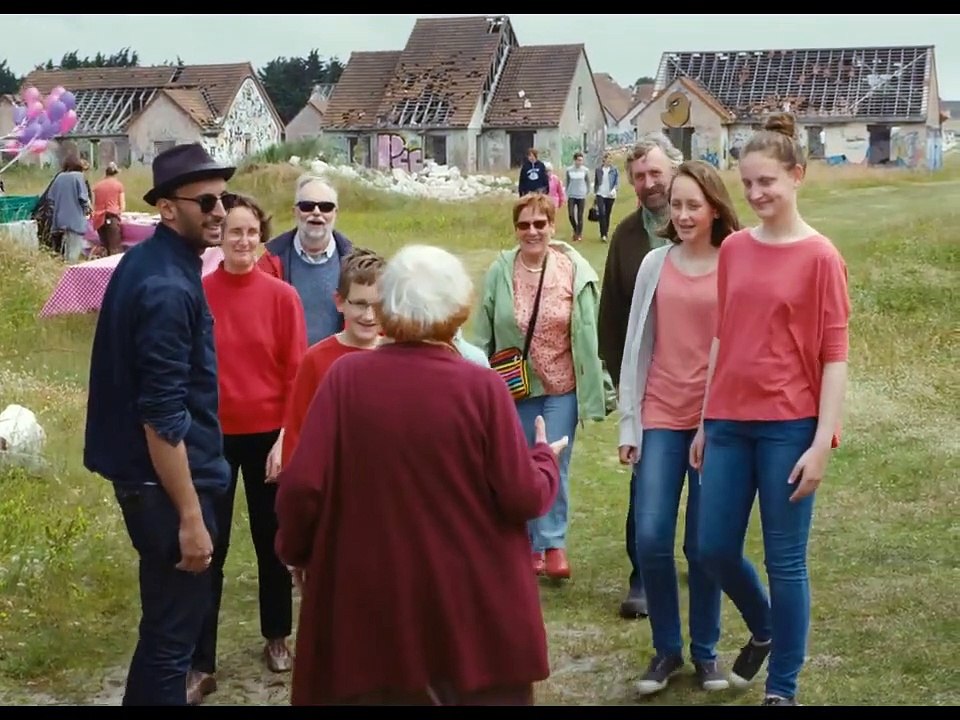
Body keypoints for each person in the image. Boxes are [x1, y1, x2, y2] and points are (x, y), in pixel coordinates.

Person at [274, 244, 568, 706]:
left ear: (388, 307)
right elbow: (521, 495)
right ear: (457, 310)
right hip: (469, 601)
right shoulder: (482, 387)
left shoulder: (345, 380)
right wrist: (544, 459)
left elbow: (302, 485)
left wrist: (297, 552)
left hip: (372, 595)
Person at [691, 113, 850, 706]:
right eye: (749, 183)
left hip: (789, 427)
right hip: (729, 424)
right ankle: (764, 627)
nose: (757, 194)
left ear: (797, 177)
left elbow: (835, 354)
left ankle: (782, 687)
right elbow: (720, 336)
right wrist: (706, 419)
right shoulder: (733, 248)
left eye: (768, 182)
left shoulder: (821, 257)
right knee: (711, 548)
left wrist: (821, 442)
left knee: (786, 562)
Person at [82, 143, 236, 706]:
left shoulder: (159, 264)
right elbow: (163, 417)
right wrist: (191, 519)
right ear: (168, 209)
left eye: (226, 199)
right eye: (207, 202)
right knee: (174, 642)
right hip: (168, 487)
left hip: (158, 482)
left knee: (162, 634)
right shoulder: (167, 286)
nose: (220, 211)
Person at [617, 160, 746, 696]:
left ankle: (706, 653)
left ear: (714, 206)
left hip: (713, 423)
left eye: (694, 205)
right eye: (677, 205)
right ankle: (666, 650)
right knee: (650, 537)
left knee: (703, 545)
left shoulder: (734, 264)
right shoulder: (654, 263)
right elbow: (635, 347)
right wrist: (629, 424)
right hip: (660, 417)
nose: (685, 214)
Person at [187, 193, 308, 704]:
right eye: (233, 232)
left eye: (251, 233)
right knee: (208, 549)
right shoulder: (199, 292)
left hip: (267, 434)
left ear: (262, 239)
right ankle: (200, 660)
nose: (242, 241)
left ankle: (277, 636)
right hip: (213, 433)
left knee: (272, 542)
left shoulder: (283, 297)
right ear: (220, 236)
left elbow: (296, 374)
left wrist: (285, 437)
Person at [475, 193, 607, 581]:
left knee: (555, 461)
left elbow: (588, 331)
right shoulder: (500, 271)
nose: (532, 232)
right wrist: (477, 378)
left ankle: (553, 544)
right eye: (524, 225)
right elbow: (483, 330)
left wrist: (598, 380)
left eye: (539, 224)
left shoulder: (571, 269)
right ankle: (529, 545)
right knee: (519, 464)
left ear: (553, 226)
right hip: (514, 388)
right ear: (515, 229)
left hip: (562, 385)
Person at [597, 132, 684, 620]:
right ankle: (643, 575)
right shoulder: (628, 236)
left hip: (703, 377)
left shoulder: (709, 223)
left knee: (706, 477)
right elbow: (610, 312)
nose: (650, 183)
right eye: (640, 177)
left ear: (674, 169)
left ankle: (699, 558)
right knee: (645, 482)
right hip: (649, 381)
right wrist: (619, 378)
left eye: (656, 173)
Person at [281, 248, 386, 465]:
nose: (369, 316)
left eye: (378, 306)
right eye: (359, 304)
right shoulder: (316, 359)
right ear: (339, 301)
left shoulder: (397, 357)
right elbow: (297, 433)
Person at [257, 174, 354, 346]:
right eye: (307, 206)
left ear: (335, 213)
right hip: (290, 370)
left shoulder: (355, 263)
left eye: (325, 207)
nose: (316, 213)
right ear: (294, 211)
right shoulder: (270, 263)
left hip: (340, 369)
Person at [44, 155, 91, 262]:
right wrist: (88, 209)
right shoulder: (78, 176)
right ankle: (71, 275)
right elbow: (83, 198)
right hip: (75, 221)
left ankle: (63, 272)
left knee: (64, 252)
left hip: (59, 220)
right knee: (73, 254)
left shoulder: (59, 177)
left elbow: (50, 197)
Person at [91, 161, 126, 256]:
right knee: (115, 247)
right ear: (116, 173)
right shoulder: (118, 185)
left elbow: (93, 204)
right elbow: (122, 206)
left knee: (104, 245)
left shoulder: (97, 186)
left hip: (99, 218)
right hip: (112, 216)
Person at [564, 151, 590, 243]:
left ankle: (579, 234)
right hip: (571, 194)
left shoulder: (585, 170)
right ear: (575, 160)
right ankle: (575, 229)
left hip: (581, 195)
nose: (580, 162)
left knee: (580, 216)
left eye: (581, 160)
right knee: (571, 214)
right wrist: (566, 192)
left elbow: (587, 181)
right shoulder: (569, 170)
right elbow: (567, 182)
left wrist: (587, 191)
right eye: (578, 160)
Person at [593, 152, 619, 243]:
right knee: (602, 213)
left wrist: (614, 189)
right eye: (608, 159)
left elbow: (616, 182)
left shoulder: (614, 170)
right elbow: (596, 181)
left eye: (611, 159)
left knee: (607, 214)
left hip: (610, 195)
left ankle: (606, 232)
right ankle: (603, 234)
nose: (610, 161)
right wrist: (595, 192)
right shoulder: (599, 170)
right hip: (600, 194)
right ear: (604, 160)